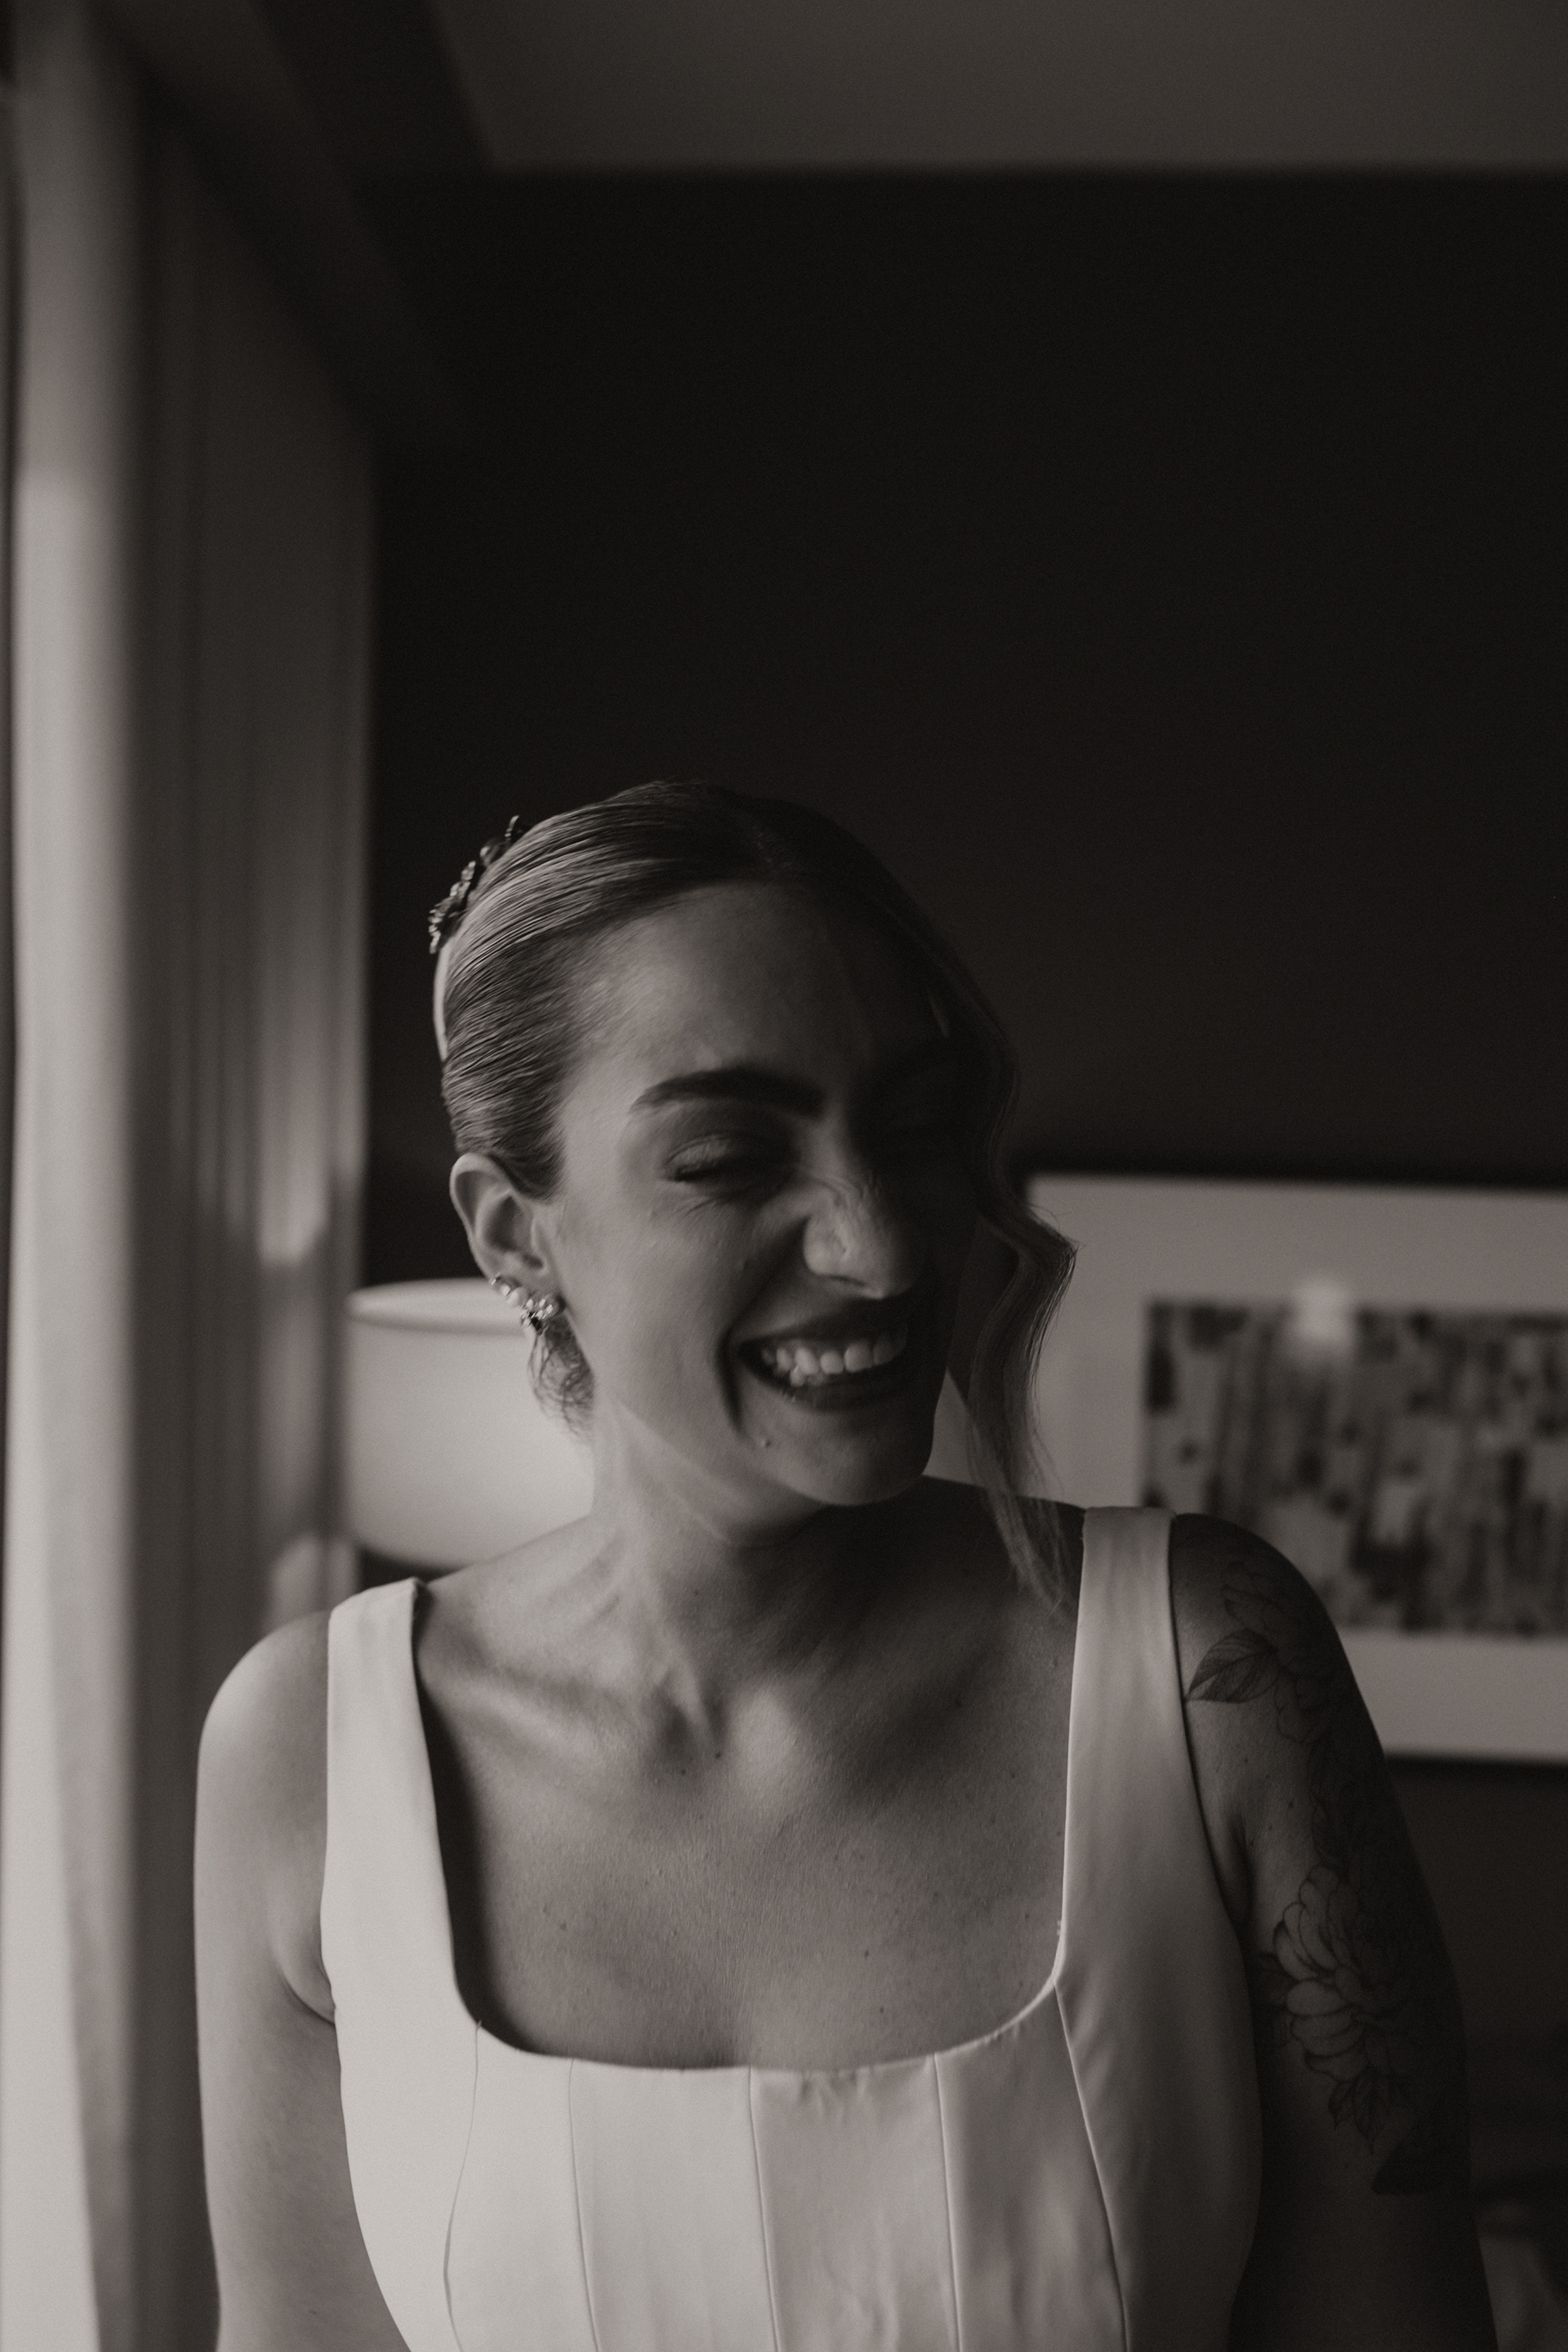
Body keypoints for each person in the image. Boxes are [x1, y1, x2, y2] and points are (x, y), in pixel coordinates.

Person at [195, 782, 1497, 2351]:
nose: (880, 1248)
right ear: (514, 1234)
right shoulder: (314, 1754)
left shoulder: (1213, 1674)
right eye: (729, 1157)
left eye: (917, 1128)